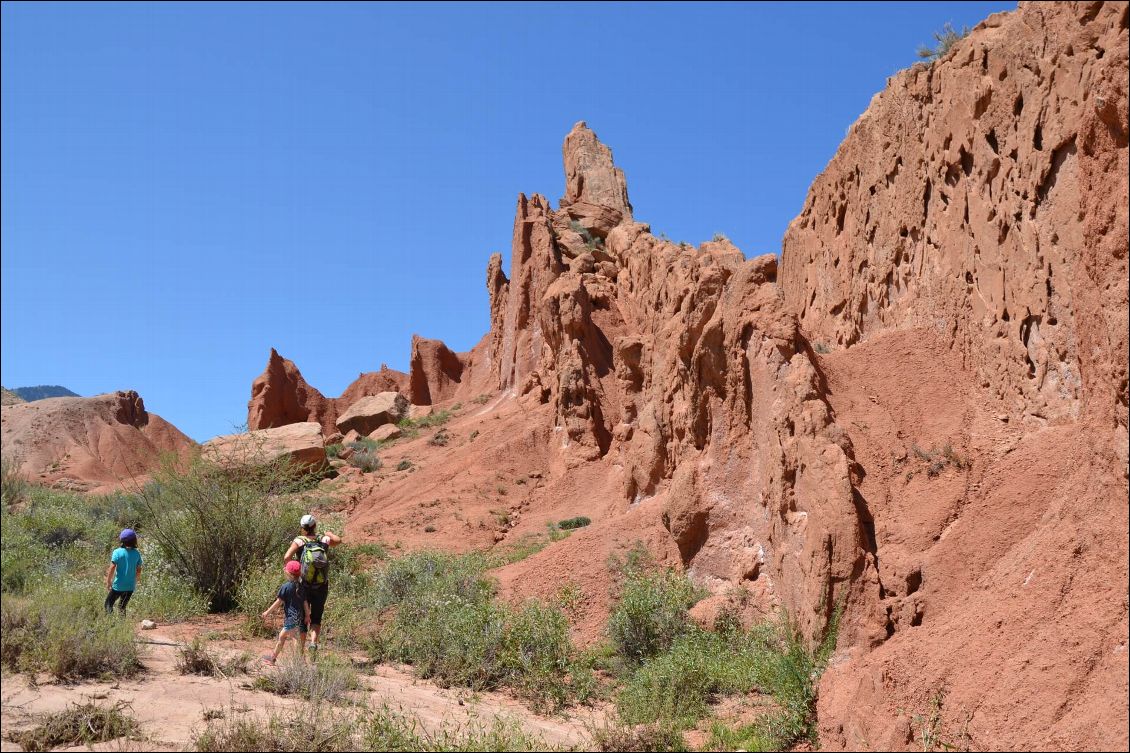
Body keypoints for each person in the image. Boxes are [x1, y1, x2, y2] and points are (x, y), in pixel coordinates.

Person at [283, 514, 341, 655]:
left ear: (303, 528)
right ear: (315, 526)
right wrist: (330, 533)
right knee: (316, 617)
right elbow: (338, 541)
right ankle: (314, 643)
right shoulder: (324, 539)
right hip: (321, 585)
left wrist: (294, 572)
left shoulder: (299, 540)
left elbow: (286, 557)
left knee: (303, 617)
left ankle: (301, 651)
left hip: (303, 585)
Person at [260, 560, 309, 665]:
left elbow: (278, 602)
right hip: (299, 616)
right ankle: (273, 658)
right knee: (282, 637)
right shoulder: (301, 586)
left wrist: (267, 612)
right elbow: (305, 603)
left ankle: (300, 661)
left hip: (291, 617)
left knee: (294, 638)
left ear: (288, 573)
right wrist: (307, 616)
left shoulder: (286, 586)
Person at [105, 528, 142, 615]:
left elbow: (112, 567)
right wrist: (136, 581)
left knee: (108, 604)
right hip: (130, 587)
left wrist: (108, 581)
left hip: (118, 586)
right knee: (122, 607)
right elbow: (139, 570)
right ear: (134, 540)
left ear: (121, 540)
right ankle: (122, 624)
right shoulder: (137, 553)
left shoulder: (117, 552)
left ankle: (111, 624)